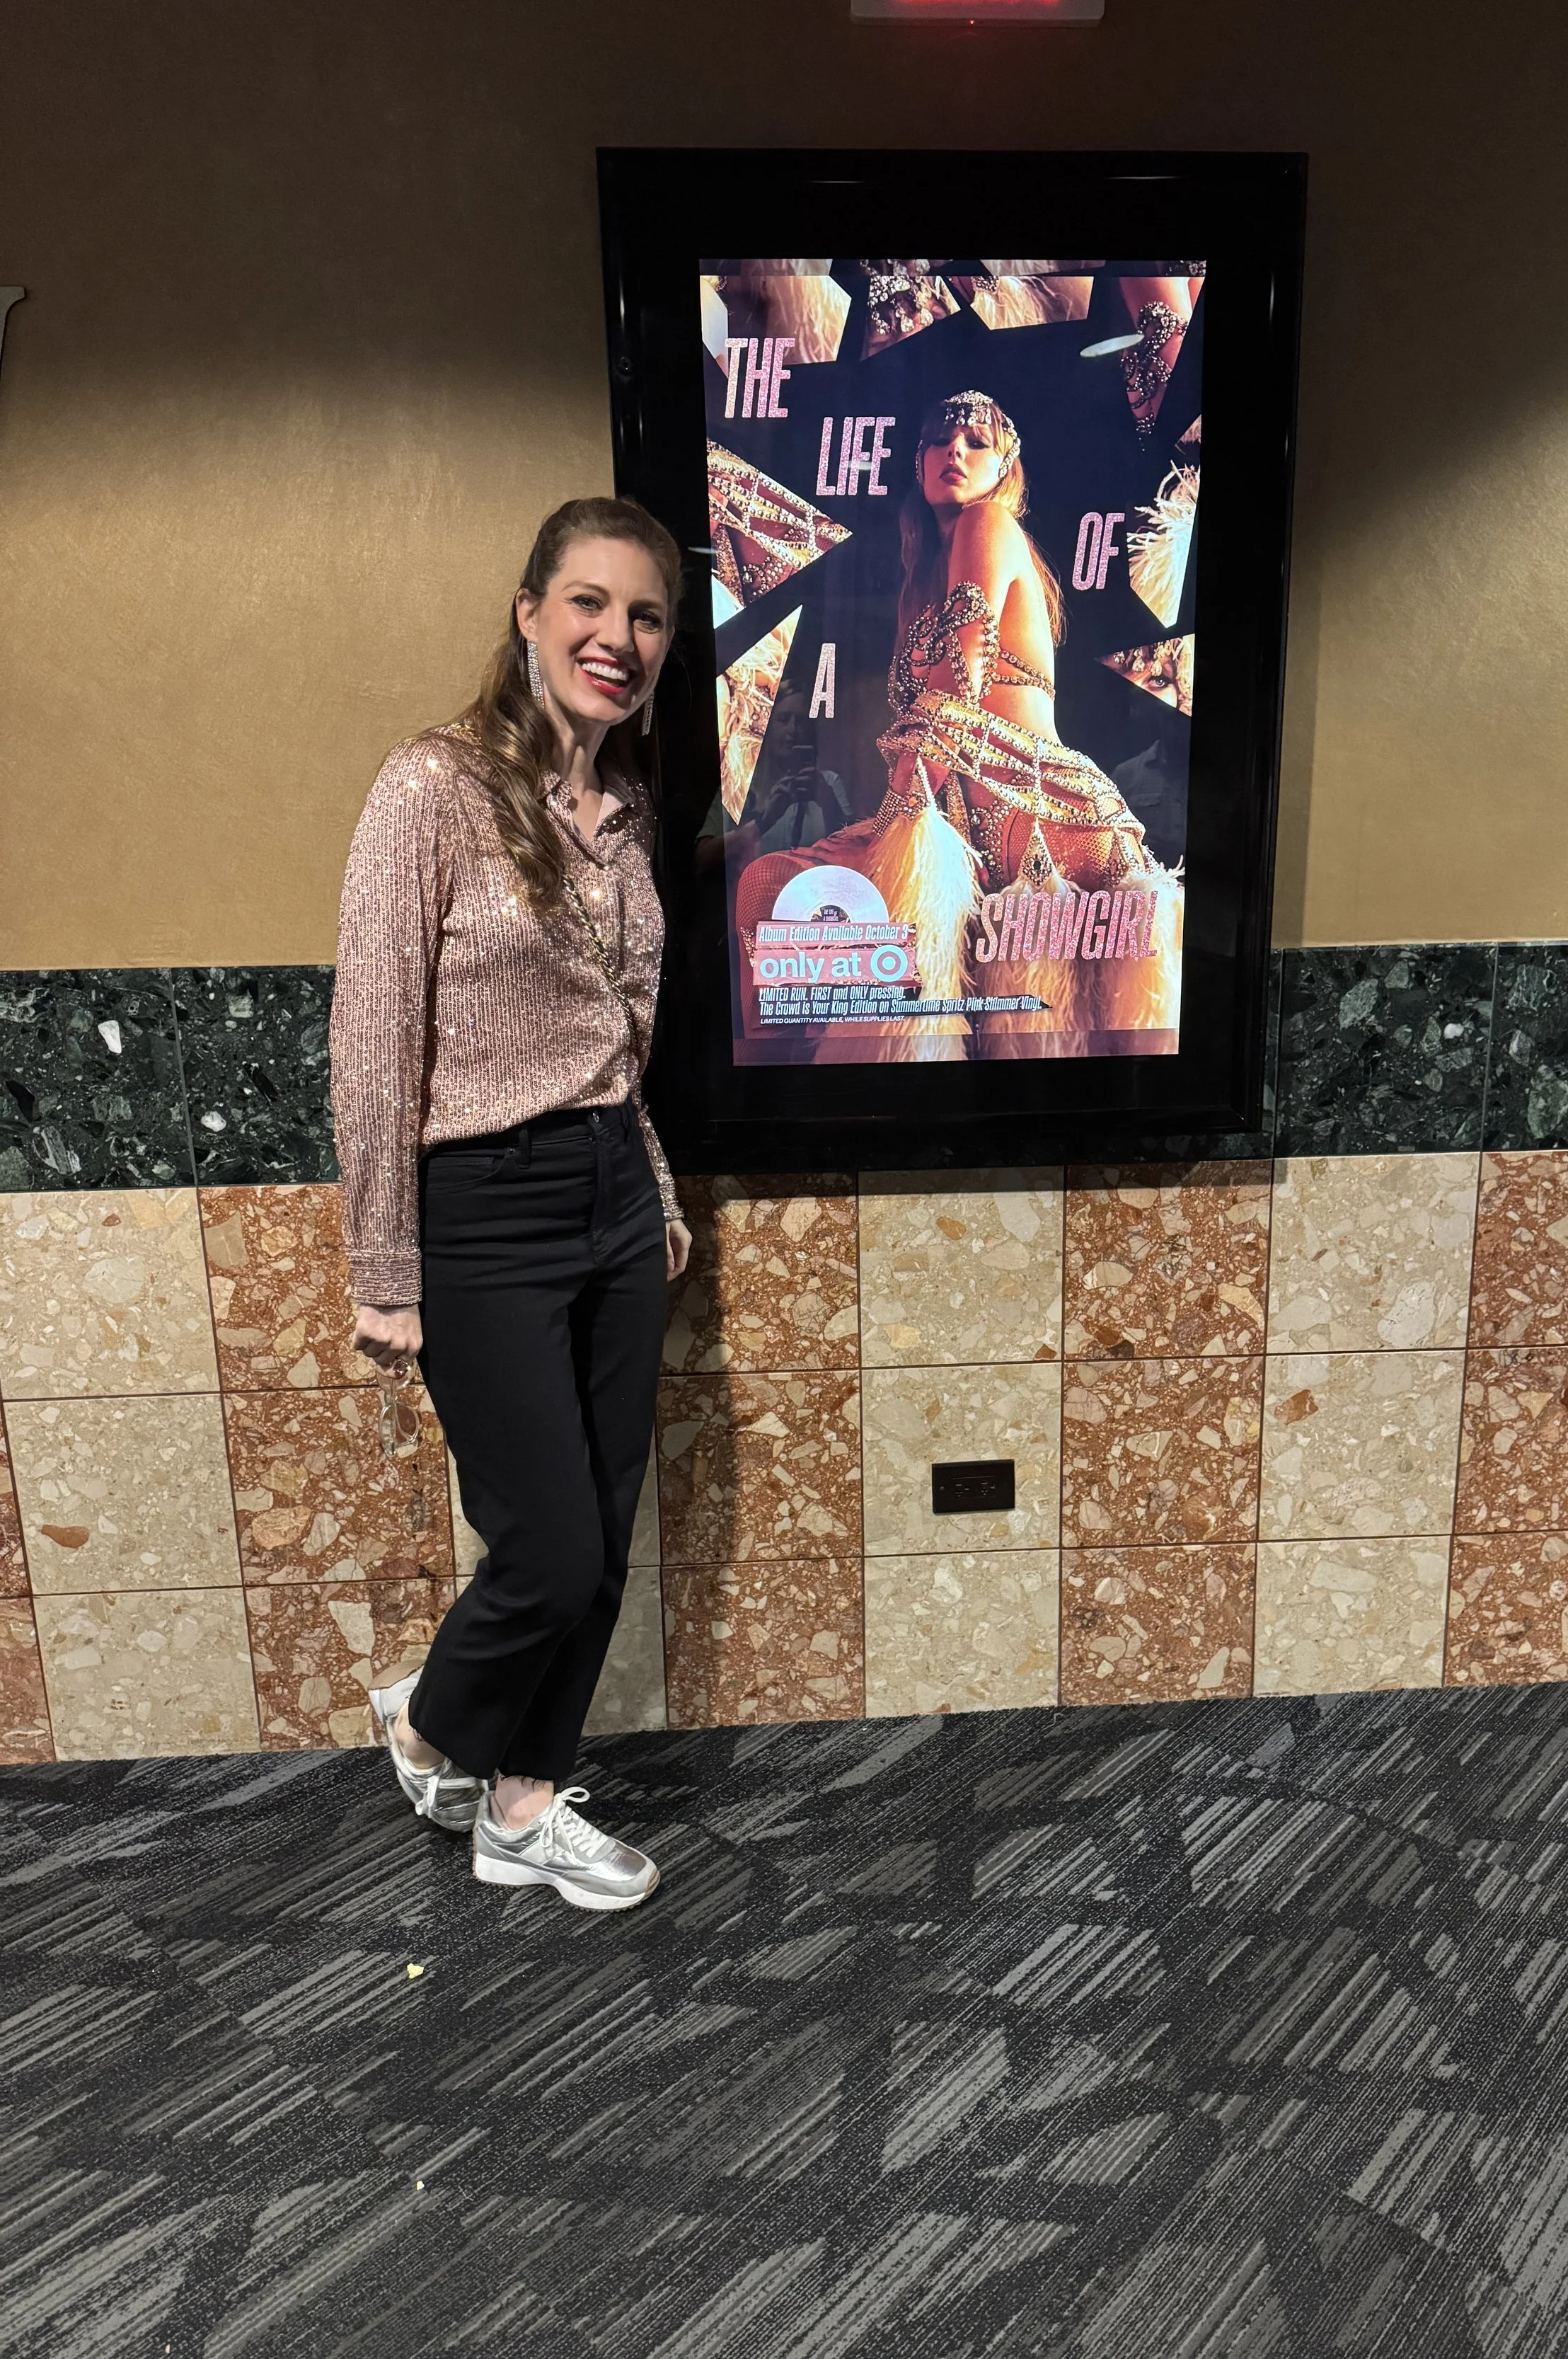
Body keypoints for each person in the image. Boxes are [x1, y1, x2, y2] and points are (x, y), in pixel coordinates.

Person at [330, 495, 691, 1913]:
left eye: (645, 615)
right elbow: (373, 1036)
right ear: (531, 613)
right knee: (543, 1545)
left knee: (599, 1525)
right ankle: (433, 1724)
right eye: (590, 603)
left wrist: (647, 1182)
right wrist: (384, 1265)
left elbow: (620, 1034)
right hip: (478, 1203)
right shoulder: (433, 790)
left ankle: (525, 1804)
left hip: (609, 1191)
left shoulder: (629, 812)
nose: (618, 636)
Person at [732, 391, 1183, 1062]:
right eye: (941, 442)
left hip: (1038, 811)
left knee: (1110, 1046)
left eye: (977, 442)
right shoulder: (920, 577)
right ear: (916, 464)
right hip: (957, 814)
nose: (957, 453)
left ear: (1007, 465)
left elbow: (963, 676)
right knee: (771, 891)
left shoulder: (987, 526)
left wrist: (903, 808)